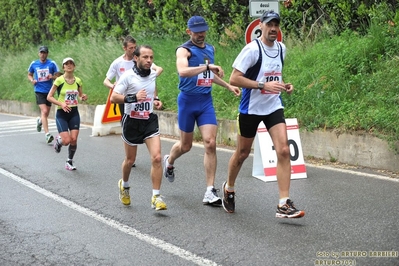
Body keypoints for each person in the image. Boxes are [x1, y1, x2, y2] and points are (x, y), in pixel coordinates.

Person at [221, 11, 305, 218]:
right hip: (250, 108)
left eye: (277, 25)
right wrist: (262, 85)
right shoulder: (251, 50)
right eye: (270, 24)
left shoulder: (281, 49)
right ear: (262, 26)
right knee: (241, 154)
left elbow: (274, 76)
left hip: (273, 106)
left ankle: (283, 204)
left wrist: (284, 85)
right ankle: (229, 188)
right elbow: (234, 79)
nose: (274, 29)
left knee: (284, 150)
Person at [163, 16, 240, 206]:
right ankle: (169, 161)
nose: (200, 35)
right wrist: (206, 66)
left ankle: (209, 191)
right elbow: (183, 71)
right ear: (189, 31)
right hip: (187, 101)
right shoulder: (184, 50)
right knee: (185, 145)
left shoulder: (210, 49)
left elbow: (209, 75)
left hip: (205, 102)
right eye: (196, 32)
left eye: (203, 31)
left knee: (210, 142)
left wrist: (228, 86)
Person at [110, 45, 167, 211]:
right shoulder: (127, 76)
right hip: (132, 121)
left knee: (156, 158)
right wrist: (133, 97)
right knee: (130, 160)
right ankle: (124, 185)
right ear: (136, 58)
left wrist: (155, 99)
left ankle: (156, 196)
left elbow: (151, 87)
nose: (149, 61)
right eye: (145, 57)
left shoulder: (153, 74)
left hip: (149, 119)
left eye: (151, 57)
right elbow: (114, 97)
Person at [104, 35, 163, 167]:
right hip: (124, 98)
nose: (132, 50)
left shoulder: (143, 59)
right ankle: (130, 154)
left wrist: (155, 96)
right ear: (124, 48)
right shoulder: (118, 63)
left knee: (156, 157)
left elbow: (157, 70)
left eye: (134, 47)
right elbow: (106, 80)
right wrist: (113, 87)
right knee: (129, 124)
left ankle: (135, 150)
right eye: (130, 48)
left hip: (144, 104)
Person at [47, 58, 87, 171]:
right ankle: (59, 141)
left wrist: (82, 97)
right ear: (63, 67)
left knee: (74, 139)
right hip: (62, 113)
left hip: (74, 113)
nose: (69, 65)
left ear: (74, 66)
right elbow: (49, 97)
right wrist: (61, 103)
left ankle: (69, 161)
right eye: (66, 64)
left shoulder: (78, 80)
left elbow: (79, 95)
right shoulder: (59, 80)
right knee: (66, 141)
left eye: (71, 64)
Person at [27, 46, 60, 143]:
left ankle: (40, 121)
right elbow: (29, 74)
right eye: (41, 53)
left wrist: (52, 76)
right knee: (44, 111)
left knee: (45, 114)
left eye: (44, 53)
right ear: (38, 54)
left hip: (49, 91)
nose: (42, 54)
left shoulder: (52, 63)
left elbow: (59, 75)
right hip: (39, 90)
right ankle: (47, 135)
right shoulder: (34, 64)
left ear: (47, 54)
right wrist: (32, 80)